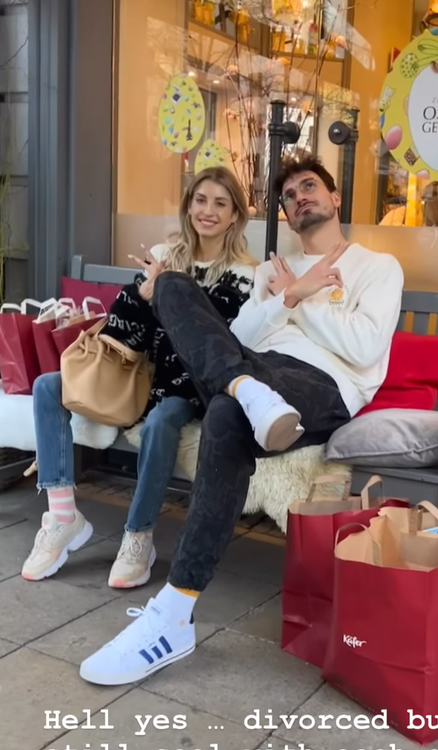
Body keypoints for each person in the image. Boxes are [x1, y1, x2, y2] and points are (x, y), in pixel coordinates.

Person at [78, 155, 404, 686]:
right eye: (290, 194)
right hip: (257, 372)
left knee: (227, 411)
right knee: (172, 286)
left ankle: (174, 610)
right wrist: (285, 295)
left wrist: (298, 299)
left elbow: (365, 348)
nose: (300, 197)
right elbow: (243, 339)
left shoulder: (378, 266)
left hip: (322, 386)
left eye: (309, 187)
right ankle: (251, 394)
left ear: (335, 197)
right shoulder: (270, 270)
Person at [22, 168, 257, 589]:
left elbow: (212, 340)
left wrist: (166, 297)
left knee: (165, 418)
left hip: (189, 385)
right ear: (188, 206)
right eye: (201, 200)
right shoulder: (165, 255)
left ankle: (138, 535)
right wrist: (141, 297)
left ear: (236, 215)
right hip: (139, 375)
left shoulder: (243, 273)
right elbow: (121, 332)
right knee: (47, 387)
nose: (208, 211)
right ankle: (62, 517)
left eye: (221, 203)